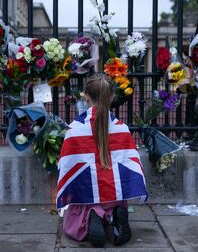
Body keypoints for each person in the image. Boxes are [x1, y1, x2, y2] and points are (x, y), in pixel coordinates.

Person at [56, 73, 148, 248]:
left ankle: (93, 214)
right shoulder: (122, 128)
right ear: (111, 97)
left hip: (87, 195)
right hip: (115, 195)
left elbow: (66, 166)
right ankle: (115, 213)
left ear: (86, 96)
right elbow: (132, 165)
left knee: (71, 224)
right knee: (115, 197)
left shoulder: (74, 129)